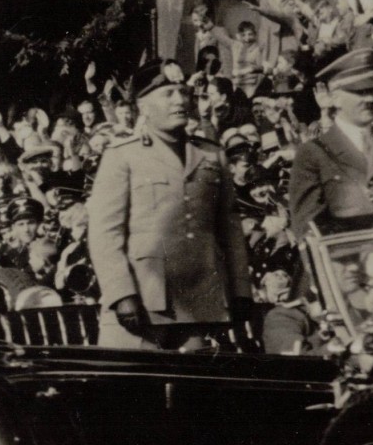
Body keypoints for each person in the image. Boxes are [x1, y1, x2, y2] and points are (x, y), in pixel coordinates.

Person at [86, 60, 253, 349]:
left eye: (183, 93)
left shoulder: (211, 155)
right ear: (144, 106)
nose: (180, 101)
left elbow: (231, 229)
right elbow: (104, 233)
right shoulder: (122, 156)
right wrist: (121, 294)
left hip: (201, 300)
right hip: (143, 301)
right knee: (133, 386)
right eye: (168, 94)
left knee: (195, 388)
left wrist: (240, 291)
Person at [288, 49, 373, 234]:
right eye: (359, 92)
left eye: (372, 90)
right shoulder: (312, 153)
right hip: (346, 259)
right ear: (335, 98)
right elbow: (308, 229)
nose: (369, 98)